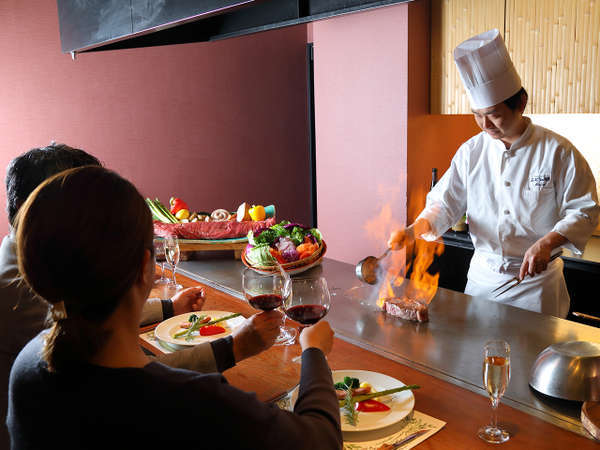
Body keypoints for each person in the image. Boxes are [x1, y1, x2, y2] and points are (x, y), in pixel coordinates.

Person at [7, 166, 340, 449]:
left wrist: (233, 346)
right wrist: (315, 354)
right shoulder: (195, 405)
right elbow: (321, 440)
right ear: (143, 267)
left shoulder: (27, 368)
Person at [389, 29, 599, 318]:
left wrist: (547, 242)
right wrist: (413, 231)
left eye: (494, 114)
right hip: (483, 283)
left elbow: (584, 211)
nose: (484, 124)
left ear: (520, 103)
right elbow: (444, 204)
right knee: (477, 359)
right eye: (477, 114)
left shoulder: (558, 151)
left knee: (535, 360)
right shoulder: (471, 152)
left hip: (537, 287)